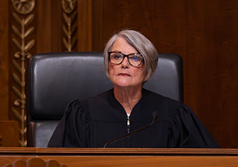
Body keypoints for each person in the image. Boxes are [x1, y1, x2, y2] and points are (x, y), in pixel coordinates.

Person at [48, 29, 220, 148]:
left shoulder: (173, 115)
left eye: (135, 58)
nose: (124, 64)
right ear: (109, 65)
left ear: (148, 68)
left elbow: (207, 164)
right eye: (117, 56)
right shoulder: (82, 114)